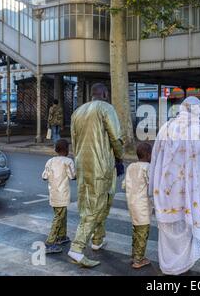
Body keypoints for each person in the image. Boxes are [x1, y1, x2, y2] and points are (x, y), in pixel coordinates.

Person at [149, 96, 200, 275]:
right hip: (189, 194)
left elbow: (155, 158)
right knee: (185, 228)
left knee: (168, 230)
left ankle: (167, 265)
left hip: (166, 190)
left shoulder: (165, 129)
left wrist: (152, 186)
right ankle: (182, 265)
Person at [68, 83, 124, 268]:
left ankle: (97, 240)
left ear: (92, 94)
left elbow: (74, 142)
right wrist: (119, 157)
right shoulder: (106, 109)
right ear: (105, 94)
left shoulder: (77, 112)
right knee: (97, 205)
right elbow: (116, 137)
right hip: (101, 165)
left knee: (96, 202)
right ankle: (77, 247)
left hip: (83, 164)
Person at [42, 139, 76, 254]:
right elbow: (73, 176)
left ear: (56, 149)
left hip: (53, 194)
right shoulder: (68, 161)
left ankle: (62, 236)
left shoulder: (50, 161)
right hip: (62, 194)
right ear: (67, 150)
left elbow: (44, 176)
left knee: (61, 214)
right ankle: (49, 243)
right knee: (59, 217)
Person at [123, 142, 153, 269]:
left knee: (136, 230)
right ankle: (138, 259)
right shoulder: (148, 167)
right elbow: (152, 187)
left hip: (131, 202)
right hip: (142, 204)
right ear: (148, 154)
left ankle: (134, 254)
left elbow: (124, 184)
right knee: (142, 232)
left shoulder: (131, 167)